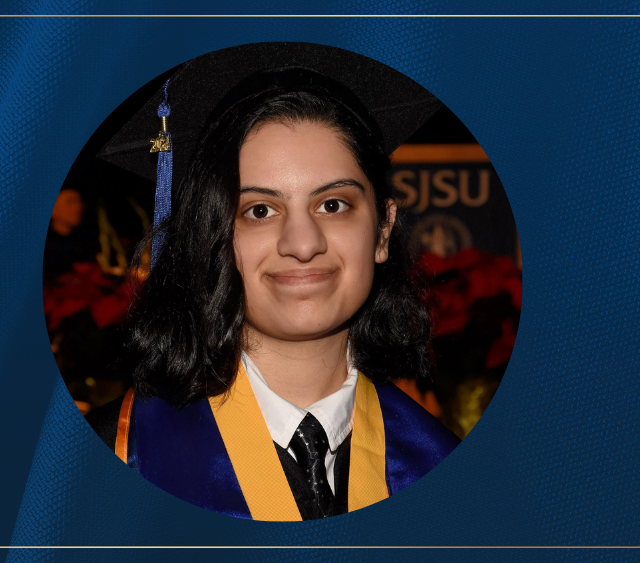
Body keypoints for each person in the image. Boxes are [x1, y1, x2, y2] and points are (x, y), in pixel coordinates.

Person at [87, 43, 459, 521]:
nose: (302, 244)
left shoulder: (442, 467)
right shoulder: (118, 455)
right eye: (260, 211)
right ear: (213, 235)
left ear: (383, 231)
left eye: (333, 204)